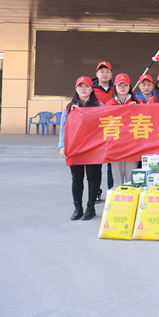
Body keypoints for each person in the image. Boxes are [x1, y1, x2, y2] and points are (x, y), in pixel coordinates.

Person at [58, 76, 102, 221]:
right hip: (74, 147)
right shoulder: (69, 107)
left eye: (86, 86)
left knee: (93, 178)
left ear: (91, 89)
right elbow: (63, 128)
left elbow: (105, 125)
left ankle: (90, 207)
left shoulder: (99, 106)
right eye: (80, 86)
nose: (83, 89)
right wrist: (62, 146)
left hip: (93, 148)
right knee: (77, 178)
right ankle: (78, 208)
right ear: (76, 89)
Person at [104, 74, 140, 185]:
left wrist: (137, 109)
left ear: (129, 87)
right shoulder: (109, 104)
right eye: (120, 85)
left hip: (132, 145)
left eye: (125, 85)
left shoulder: (138, 103)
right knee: (117, 179)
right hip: (115, 146)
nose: (123, 88)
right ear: (115, 87)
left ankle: (131, 195)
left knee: (131, 178)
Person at [92, 61, 113, 202]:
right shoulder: (90, 90)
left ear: (111, 74)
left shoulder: (117, 89)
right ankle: (96, 192)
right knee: (96, 166)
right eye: (102, 71)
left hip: (113, 132)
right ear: (97, 74)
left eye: (107, 71)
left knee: (112, 166)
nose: (104, 74)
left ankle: (112, 192)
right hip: (96, 133)